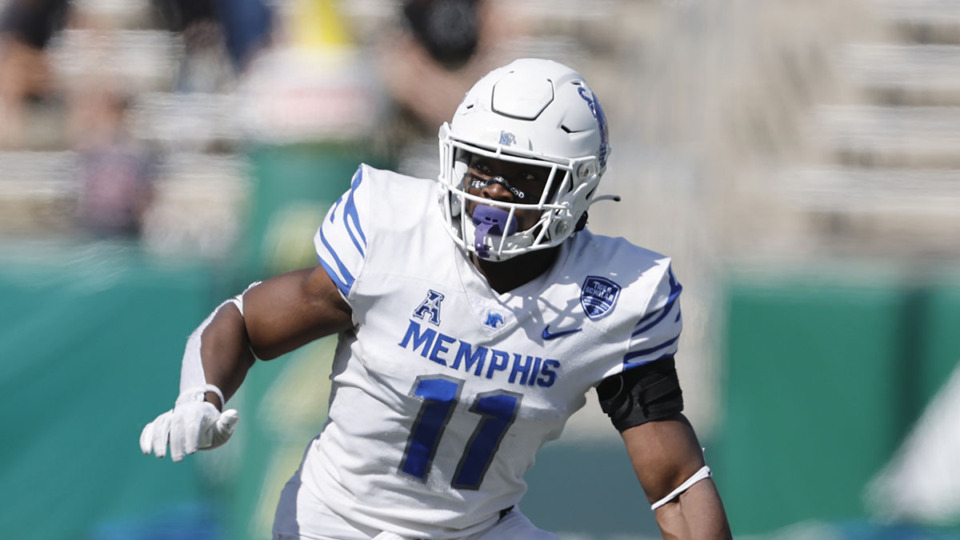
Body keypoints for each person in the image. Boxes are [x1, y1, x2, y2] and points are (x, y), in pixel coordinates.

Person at [140, 58, 732, 540]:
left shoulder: (612, 297)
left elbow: (676, 483)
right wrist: (201, 392)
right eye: (479, 169)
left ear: (577, 186)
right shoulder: (394, 233)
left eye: (519, 177)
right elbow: (243, 321)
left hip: (478, 528)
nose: (490, 194)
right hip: (340, 524)